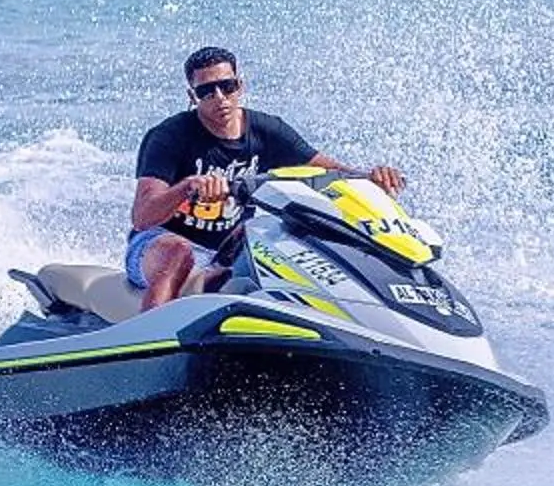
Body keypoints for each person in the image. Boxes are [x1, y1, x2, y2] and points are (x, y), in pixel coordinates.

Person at [125, 45, 409, 309]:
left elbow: (329, 172)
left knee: (292, 242)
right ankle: (145, 344)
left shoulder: (266, 130)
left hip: (228, 247)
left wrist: (371, 177)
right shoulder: (169, 137)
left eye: (227, 86)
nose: (220, 98)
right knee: (178, 252)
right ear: (192, 97)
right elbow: (142, 216)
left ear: (240, 86)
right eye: (207, 92)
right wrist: (186, 188)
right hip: (158, 244)